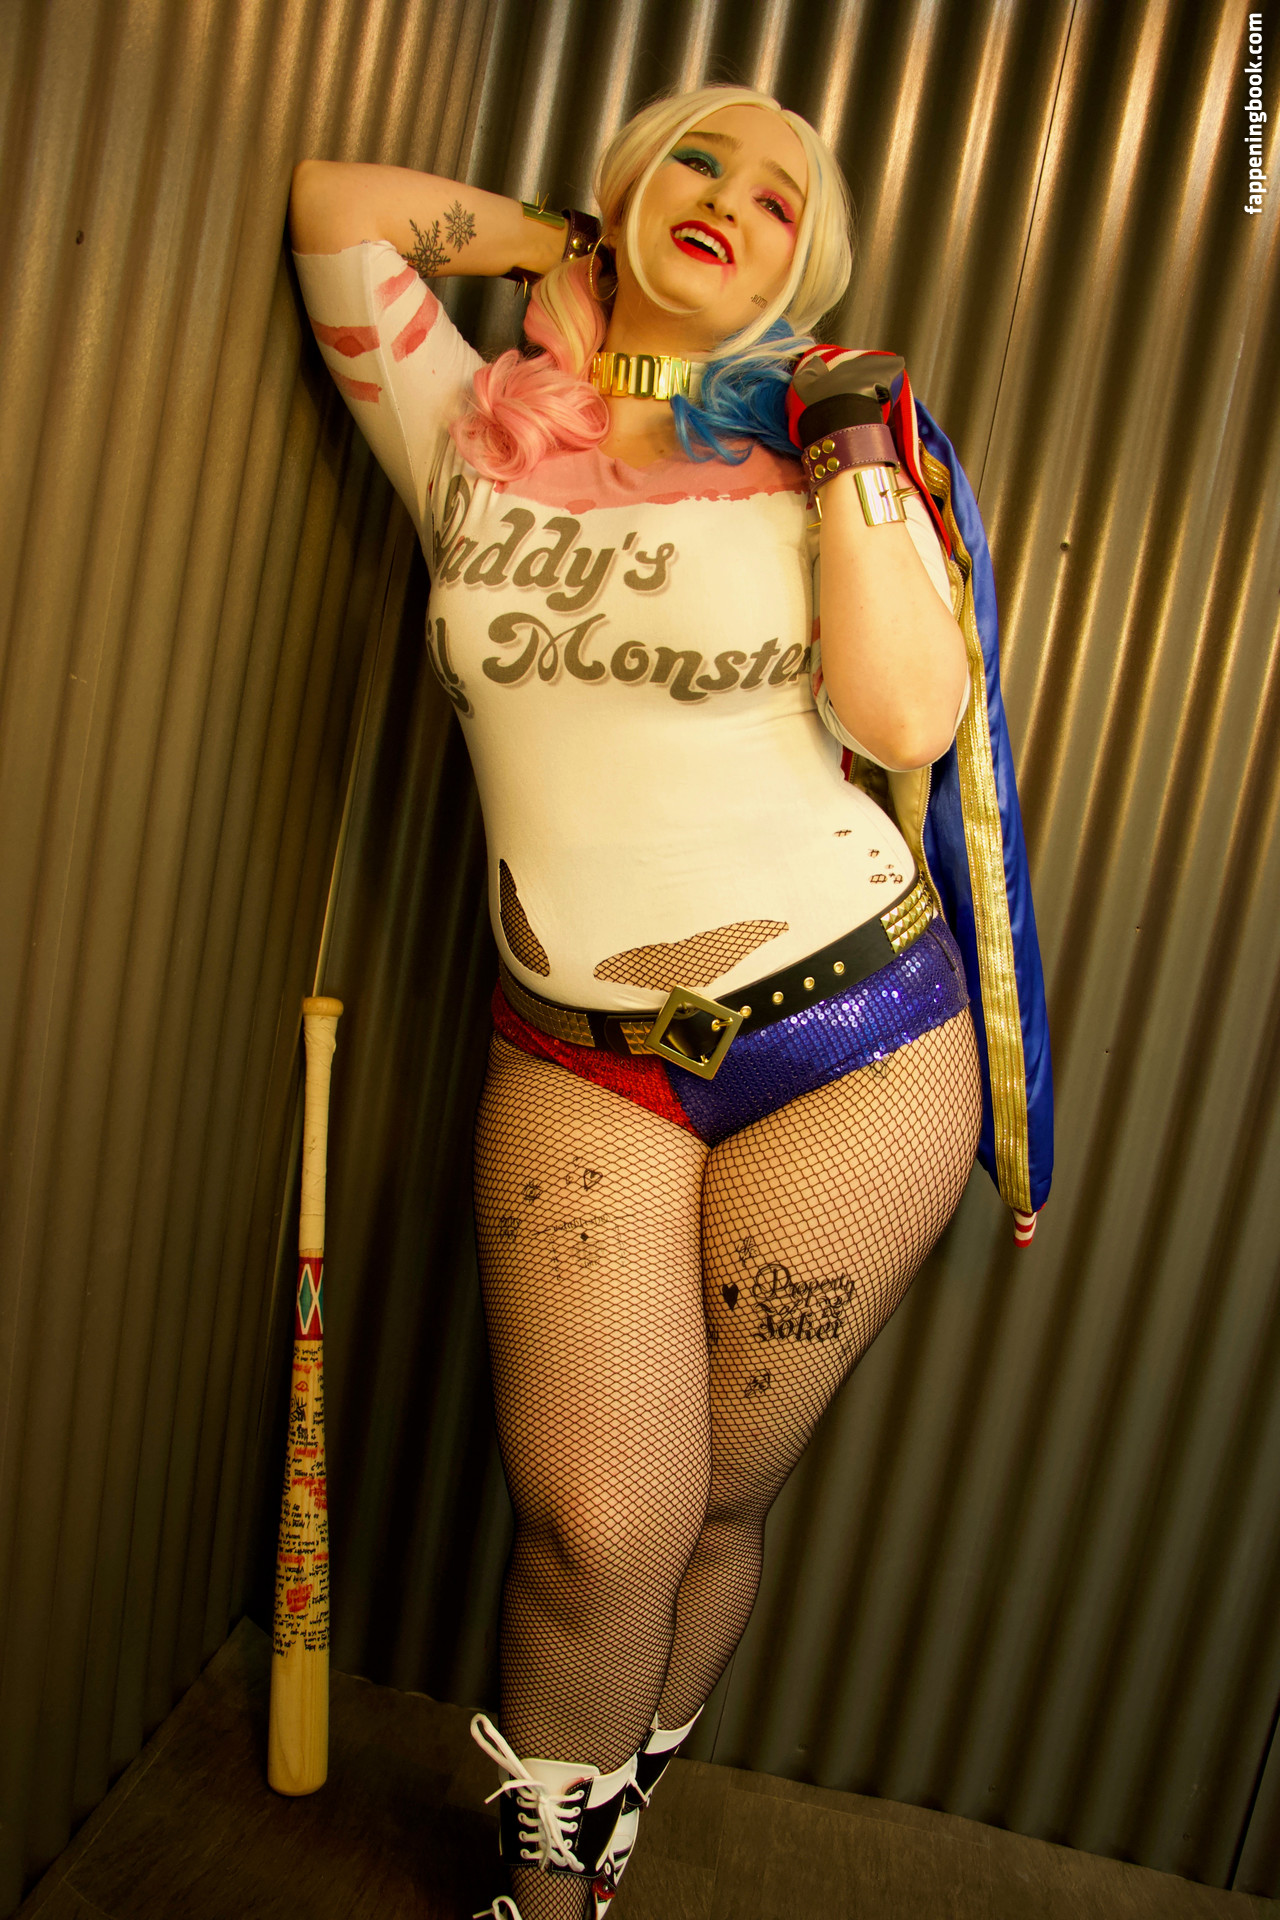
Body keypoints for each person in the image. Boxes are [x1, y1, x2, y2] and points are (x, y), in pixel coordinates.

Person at [290, 82, 1050, 1920]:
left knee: (712, 1506)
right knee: (595, 1529)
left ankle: (598, 1834)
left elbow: (907, 720)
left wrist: (849, 444)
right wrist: (566, 247)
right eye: (697, 161)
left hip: (856, 1044)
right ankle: (548, 1888)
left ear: (807, 275)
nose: (733, 196)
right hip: (580, 1060)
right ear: (625, 193)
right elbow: (334, 208)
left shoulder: (816, 448)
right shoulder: (464, 422)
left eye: (783, 201)